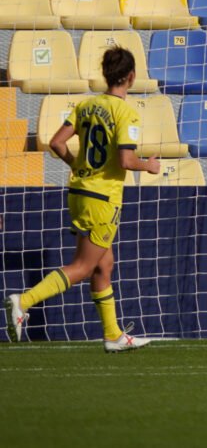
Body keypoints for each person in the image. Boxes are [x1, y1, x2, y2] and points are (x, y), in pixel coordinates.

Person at [5, 47, 160, 351]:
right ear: (131, 77)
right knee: (83, 266)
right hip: (102, 197)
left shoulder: (87, 106)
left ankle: (114, 335)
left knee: (105, 265)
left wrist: (78, 165)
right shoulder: (126, 112)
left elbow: (56, 143)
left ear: (106, 75)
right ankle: (23, 301)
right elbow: (127, 160)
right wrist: (149, 165)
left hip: (78, 191)